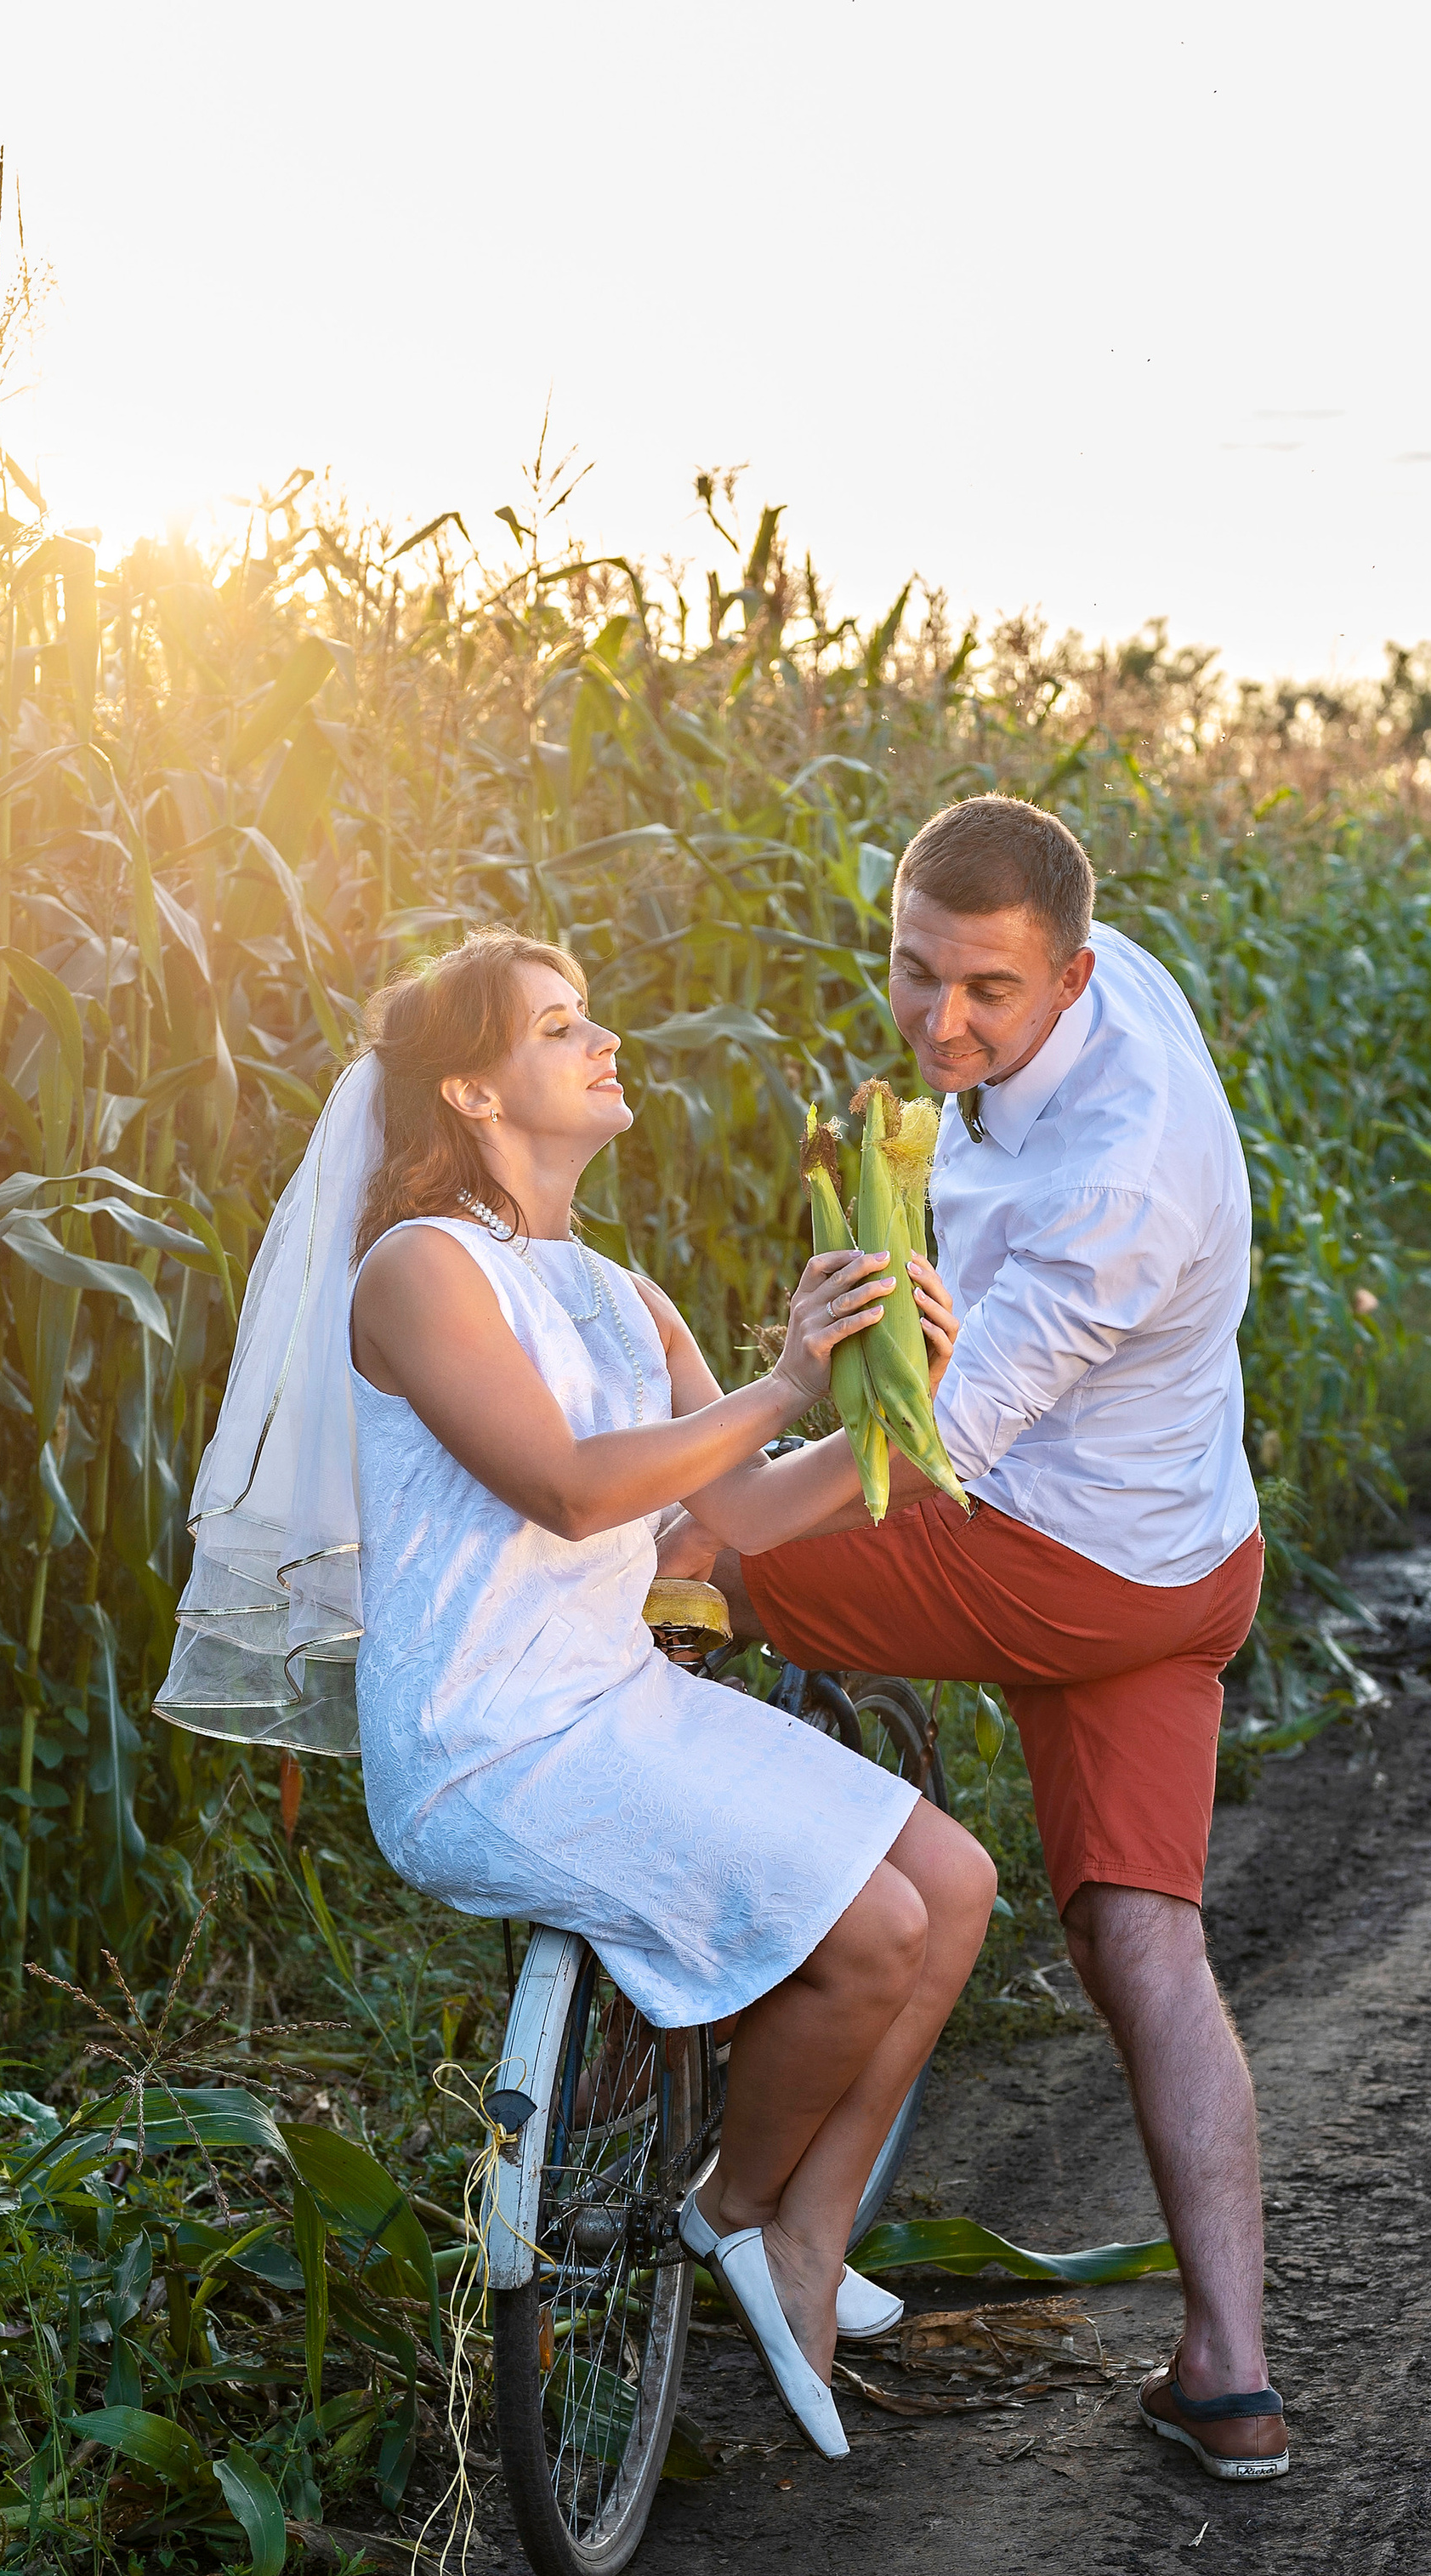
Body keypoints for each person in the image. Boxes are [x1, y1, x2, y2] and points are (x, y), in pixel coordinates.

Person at [159, 929, 997, 2465]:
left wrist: (896, 1394)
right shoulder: (418, 1270)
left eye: (591, 1017)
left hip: (619, 1703)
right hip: (492, 1743)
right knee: (872, 1932)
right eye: (560, 1028)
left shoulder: (617, 1290)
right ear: (472, 1090)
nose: (604, 1042)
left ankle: (798, 2232)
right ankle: (734, 2213)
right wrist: (793, 1377)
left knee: (953, 1883)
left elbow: (734, 1511)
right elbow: (561, 1486)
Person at [701, 796, 1286, 2482]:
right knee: (1137, 1942)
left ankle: (669, 2043)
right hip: (1186, 1551)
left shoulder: (1111, 1190)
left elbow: (916, 1455)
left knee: (677, 1574)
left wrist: (697, 1511)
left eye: (986, 997)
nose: (940, 1024)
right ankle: (1228, 2378)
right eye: (911, 973)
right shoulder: (1110, 975)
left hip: (1054, 1557)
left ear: (1070, 975)